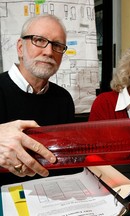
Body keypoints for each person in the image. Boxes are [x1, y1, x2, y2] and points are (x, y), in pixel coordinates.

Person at [0, 14, 76, 180]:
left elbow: (65, 164)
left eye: (57, 45)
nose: (49, 52)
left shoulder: (64, 100)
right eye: (39, 40)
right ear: (20, 47)